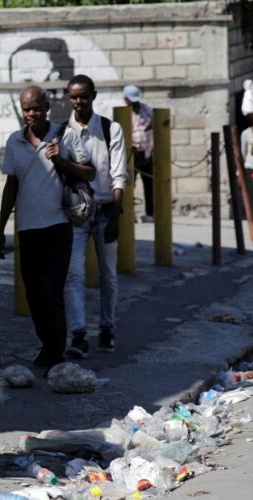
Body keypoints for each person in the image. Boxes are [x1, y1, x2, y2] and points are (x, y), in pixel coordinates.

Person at [0, 85, 95, 372]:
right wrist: (1, 229)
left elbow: (90, 172)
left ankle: (55, 352)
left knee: (52, 292)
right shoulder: (15, 142)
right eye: (26, 109)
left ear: (47, 107)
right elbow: (11, 185)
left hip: (58, 226)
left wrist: (60, 160)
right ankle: (48, 346)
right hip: (28, 228)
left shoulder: (65, 135)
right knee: (34, 295)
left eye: (36, 108)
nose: (31, 114)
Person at [63, 75, 127, 358]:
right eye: (74, 97)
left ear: (93, 95)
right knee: (74, 274)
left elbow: (118, 175)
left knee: (108, 275)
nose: (79, 102)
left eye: (83, 96)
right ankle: (78, 334)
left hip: (104, 211)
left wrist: (115, 215)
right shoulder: (63, 131)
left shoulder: (110, 129)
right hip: (77, 215)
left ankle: (107, 329)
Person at [123, 84, 154, 223]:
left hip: (146, 152)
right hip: (131, 153)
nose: (134, 103)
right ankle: (130, 214)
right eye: (131, 100)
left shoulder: (147, 109)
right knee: (130, 184)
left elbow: (154, 122)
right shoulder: (123, 112)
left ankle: (150, 214)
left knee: (149, 183)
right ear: (126, 100)